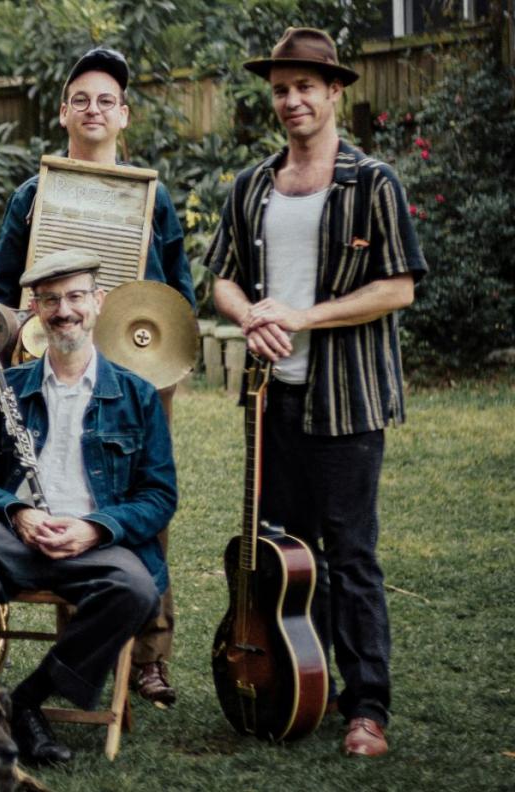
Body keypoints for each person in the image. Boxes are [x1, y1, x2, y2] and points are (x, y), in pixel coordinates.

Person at [209, 27, 423, 759]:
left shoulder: (374, 183)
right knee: (288, 555)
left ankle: (368, 706)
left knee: (351, 554)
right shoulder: (252, 185)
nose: (292, 100)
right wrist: (252, 316)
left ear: (335, 92)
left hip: (348, 399)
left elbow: (398, 287)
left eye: (306, 86)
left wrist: (301, 316)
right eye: (280, 89)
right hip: (272, 398)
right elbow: (223, 279)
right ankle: (312, 679)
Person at [0, 46, 193, 706]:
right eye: (82, 99)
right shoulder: (33, 196)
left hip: (136, 375)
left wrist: (166, 366)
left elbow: (180, 296)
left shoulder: (153, 200)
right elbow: (2, 293)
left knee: (139, 505)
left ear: (123, 115)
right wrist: (23, 332)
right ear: (63, 113)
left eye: (107, 100)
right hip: (57, 370)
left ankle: (151, 655)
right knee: (61, 492)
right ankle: (88, 653)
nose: (94, 109)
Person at [0, 248, 176, 767]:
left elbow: (158, 496)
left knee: (137, 588)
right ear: (34, 309)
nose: (65, 310)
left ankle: (25, 702)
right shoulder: (6, 390)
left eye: (76, 296)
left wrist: (95, 528)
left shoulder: (137, 395)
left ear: (98, 302)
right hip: (18, 538)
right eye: (51, 299)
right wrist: (17, 513)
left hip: (93, 545)